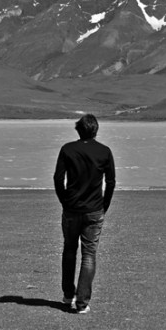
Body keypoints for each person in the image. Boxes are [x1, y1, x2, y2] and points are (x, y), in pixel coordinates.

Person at [53, 114, 116, 314]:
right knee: (89, 254)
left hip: (72, 209)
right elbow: (111, 182)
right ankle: (82, 303)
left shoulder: (68, 149)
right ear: (95, 130)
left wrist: (64, 200)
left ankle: (67, 295)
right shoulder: (104, 152)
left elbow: (58, 178)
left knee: (69, 250)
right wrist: (104, 205)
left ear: (78, 130)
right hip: (94, 210)